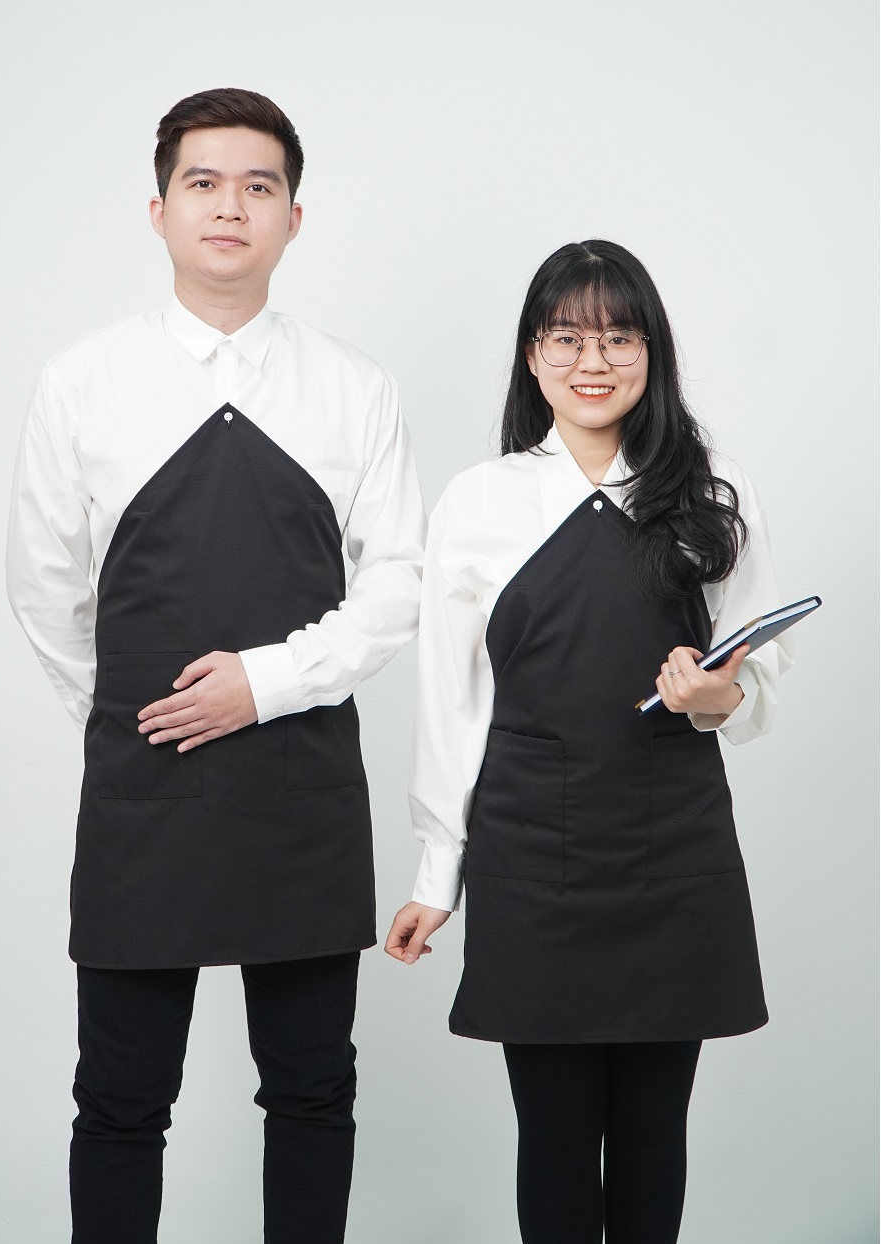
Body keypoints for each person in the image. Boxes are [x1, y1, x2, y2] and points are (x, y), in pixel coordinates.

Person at [7, 87, 426, 1244]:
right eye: (203, 182)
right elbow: (44, 588)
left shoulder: (354, 385)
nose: (229, 206)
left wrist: (265, 682)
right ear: (159, 211)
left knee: (312, 1087)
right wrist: (132, 718)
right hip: (142, 795)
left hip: (303, 790)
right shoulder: (82, 380)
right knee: (120, 1096)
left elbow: (398, 583)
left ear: (294, 216)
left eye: (257, 185)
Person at [385, 239, 794, 1243]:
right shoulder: (479, 501)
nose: (593, 360)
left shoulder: (712, 489)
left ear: (652, 352)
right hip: (531, 853)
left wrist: (716, 695)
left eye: (619, 337)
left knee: (654, 1133)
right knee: (556, 1136)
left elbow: (759, 682)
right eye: (566, 337)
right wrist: (437, 874)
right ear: (532, 356)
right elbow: (451, 702)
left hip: (675, 846)